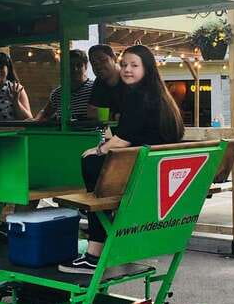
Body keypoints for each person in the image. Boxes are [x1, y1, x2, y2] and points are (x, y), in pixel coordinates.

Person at [60, 44, 184, 273]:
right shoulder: (160, 96)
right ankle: (108, 241)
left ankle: (94, 253)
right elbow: (133, 134)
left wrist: (98, 150)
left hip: (141, 173)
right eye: (125, 64)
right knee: (98, 170)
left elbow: (124, 139)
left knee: (91, 165)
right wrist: (110, 141)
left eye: (134, 65)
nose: (127, 69)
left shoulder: (138, 96)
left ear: (147, 69)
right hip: (154, 170)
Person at [35, 50, 93, 122]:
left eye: (79, 65)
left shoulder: (94, 89)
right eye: (70, 66)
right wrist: (35, 121)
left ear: (86, 66)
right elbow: (45, 113)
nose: (75, 69)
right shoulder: (58, 93)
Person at [0, 52, 32, 121]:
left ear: (8, 69)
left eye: (1, 67)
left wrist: (16, 101)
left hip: (11, 131)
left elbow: (29, 119)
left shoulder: (16, 88)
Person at [87, 44, 125, 119]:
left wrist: (103, 113)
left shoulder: (129, 79)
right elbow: (91, 112)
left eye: (103, 60)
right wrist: (114, 116)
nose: (98, 66)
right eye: (94, 63)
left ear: (114, 58)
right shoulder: (99, 81)